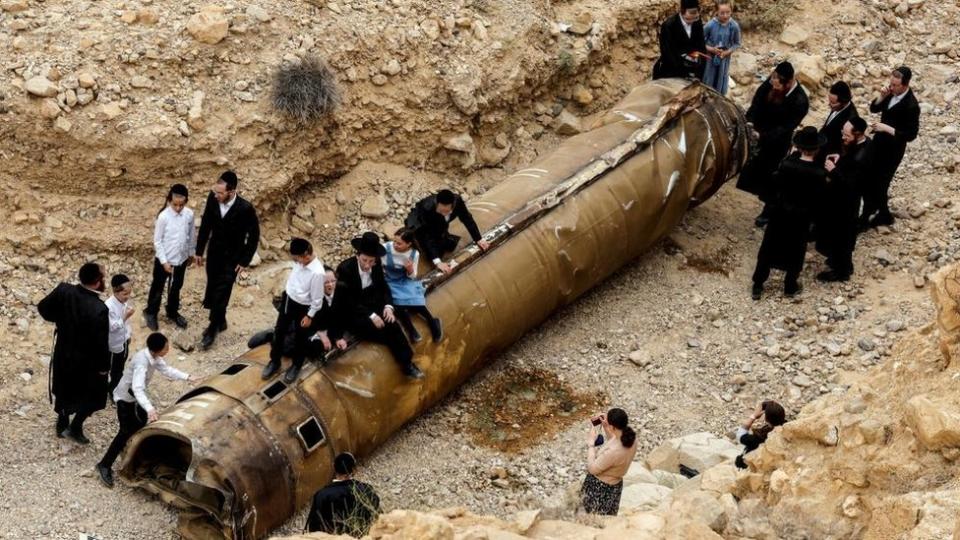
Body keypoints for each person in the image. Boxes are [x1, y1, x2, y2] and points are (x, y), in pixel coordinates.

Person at [96, 332, 194, 488]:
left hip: (135, 399)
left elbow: (166, 370)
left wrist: (188, 377)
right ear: (157, 350)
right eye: (166, 347)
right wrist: (150, 408)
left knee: (140, 423)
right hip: (125, 399)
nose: (168, 349)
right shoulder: (142, 363)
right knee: (124, 431)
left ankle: (132, 448)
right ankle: (104, 464)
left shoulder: (153, 357)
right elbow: (137, 388)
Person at [37, 262, 111, 444]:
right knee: (94, 395)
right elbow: (102, 345)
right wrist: (104, 368)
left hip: (63, 352)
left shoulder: (64, 291)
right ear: (96, 281)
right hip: (86, 362)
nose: (105, 280)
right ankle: (76, 426)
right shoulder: (100, 309)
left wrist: (61, 320)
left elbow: (43, 308)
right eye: (103, 277)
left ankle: (62, 421)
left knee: (63, 387)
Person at [333, 232, 424, 379]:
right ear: (358, 256)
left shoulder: (376, 265)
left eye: (371, 261)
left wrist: (388, 307)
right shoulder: (345, 269)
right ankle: (392, 345)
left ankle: (407, 363)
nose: (368, 265)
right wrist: (372, 315)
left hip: (371, 302)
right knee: (383, 331)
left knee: (393, 325)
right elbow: (347, 301)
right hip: (353, 309)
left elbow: (383, 287)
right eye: (364, 260)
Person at [751, 127, 828, 300]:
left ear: (799, 147)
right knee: (796, 250)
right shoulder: (819, 173)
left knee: (768, 248)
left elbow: (775, 182)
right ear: (816, 149)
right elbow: (819, 198)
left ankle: (758, 284)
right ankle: (789, 286)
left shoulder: (787, 165)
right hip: (802, 217)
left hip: (780, 213)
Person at [737, 62, 810, 227]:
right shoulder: (772, 81)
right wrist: (750, 122)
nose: (773, 86)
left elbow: (785, 128)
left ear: (788, 83)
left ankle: (768, 211)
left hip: (776, 143)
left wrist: (762, 136)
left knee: (771, 179)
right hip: (758, 131)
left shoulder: (800, 101)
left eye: (777, 85)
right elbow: (756, 103)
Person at [195, 171, 261, 350]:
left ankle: (212, 328)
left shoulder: (245, 208)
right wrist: (199, 250)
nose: (216, 195)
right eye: (215, 192)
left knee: (221, 293)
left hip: (233, 258)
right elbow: (206, 224)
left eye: (220, 193)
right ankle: (221, 320)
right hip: (214, 253)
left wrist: (245, 259)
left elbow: (254, 236)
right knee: (212, 286)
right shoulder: (213, 198)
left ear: (231, 192)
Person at [861, 66, 921, 228]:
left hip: (893, 150)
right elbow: (874, 108)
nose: (891, 87)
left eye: (895, 85)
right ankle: (883, 213)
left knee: (880, 182)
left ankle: (868, 216)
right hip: (879, 142)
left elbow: (911, 135)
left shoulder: (911, 105)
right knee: (869, 177)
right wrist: (881, 96)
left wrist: (887, 128)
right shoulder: (891, 94)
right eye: (891, 84)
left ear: (905, 84)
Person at [815, 117, 872, 282]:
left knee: (842, 236)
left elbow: (851, 184)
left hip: (847, 203)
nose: (843, 137)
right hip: (843, 199)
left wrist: (833, 170)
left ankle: (841, 271)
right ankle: (838, 261)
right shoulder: (861, 144)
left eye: (846, 135)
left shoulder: (862, 156)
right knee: (839, 235)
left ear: (858, 134)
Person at [262, 238, 325, 384]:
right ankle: (274, 361)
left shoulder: (317, 273)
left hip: (304, 307)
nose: (296, 261)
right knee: (279, 330)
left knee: (300, 337)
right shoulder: (299, 262)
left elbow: (317, 300)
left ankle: (296, 365)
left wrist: (309, 316)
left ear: (306, 255)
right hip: (289, 299)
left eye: (297, 258)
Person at [145, 183, 195, 331]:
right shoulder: (163, 217)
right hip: (164, 260)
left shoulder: (189, 214)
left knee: (176, 287)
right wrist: (164, 261)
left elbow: (191, 235)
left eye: (181, 205)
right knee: (158, 287)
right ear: (169, 201)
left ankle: (172, 312)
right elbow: (157, 241)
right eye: (175, 205)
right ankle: (151, 312)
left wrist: (191, 252)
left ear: (185, 202)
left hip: (181, 258)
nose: (178, 208)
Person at [405, 189, 489, 274]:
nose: (443, 213)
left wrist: (478, 239)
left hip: (438, 221)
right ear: (437, 204)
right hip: (418, 222)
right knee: (432, 249)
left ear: (452, 206)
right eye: (440, 210)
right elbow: (427, 235)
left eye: (446, 211)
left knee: (447, 243)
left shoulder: (458, 202)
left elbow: (467, 219)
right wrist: (437, 261)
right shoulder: (428, 208)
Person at [382, 228, 442, 343]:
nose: (395, 245)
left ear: (408, 244)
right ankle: (410, 329)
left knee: (415, 300)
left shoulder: (414, 254)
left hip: (403, 280)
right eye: (394, 241)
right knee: (396, 302)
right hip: (388, 281)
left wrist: (409, 269)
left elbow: (413, 276)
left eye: (399, 243)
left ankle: (433, 321)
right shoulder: (386, 248)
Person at [305, 452, 381, 536]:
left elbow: (313, 528)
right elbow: (376, 516)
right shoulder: (366, 489)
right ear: (354, 470)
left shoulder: (322, 495)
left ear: (334, 467)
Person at [580, 408, 638, 515]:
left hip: (600, 488)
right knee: (608, 519)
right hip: (615, 488)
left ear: (613, 426)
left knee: (590, 518)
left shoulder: (613, 452)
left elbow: (592, 469)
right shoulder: (631, 438)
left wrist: (591, 444)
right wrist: (606, 427)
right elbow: (615, 440)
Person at [652, 0, 708, 80]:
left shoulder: (697, 22)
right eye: (692, 13)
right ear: (682, 11)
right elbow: (667, 54)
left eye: (696, 12)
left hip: (693, 71)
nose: (695, 16)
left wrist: (698, 73)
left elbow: (701, 48)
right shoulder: (669, 26)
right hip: (671, 71)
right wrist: (684, 73)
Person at [701, 1, 740, 95]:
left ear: (731, 11)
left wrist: (727, 52)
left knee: (721, 77)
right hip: (710, 57)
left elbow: (737, 43)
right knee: (709, 77)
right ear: (716, 12)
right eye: (722, 13)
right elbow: (699, 41)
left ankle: (719, 97)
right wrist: (712, 49)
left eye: (728, 12)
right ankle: (706, 95)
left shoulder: (734, 26)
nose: (725, 15)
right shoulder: (710, 25)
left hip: (724, 58)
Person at [105, 274, 134, 397]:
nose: (128, 297)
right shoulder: (109, 306)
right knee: (113, 368)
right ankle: (112, 391)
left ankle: (116, 386)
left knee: (120, 366)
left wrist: (128, 335)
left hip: (123, 341)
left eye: (129, 293)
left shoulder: (123, 302)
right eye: (125, 294)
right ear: (116, 292)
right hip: (113, 345)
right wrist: (125, 317)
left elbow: (126, 324)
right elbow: (111, 327)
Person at [735, 401, 786, 469]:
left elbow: (740, 436)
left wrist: (754, 416)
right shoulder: (783, 428)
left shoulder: (757, 439)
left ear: (765, 416)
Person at [818, 81, 858, 160]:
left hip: (829, 155)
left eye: (832, 102)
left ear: (844, 101)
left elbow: (845, 146)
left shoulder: (850, 120)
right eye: (829, 101)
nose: (829, 104)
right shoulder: (838, 106)